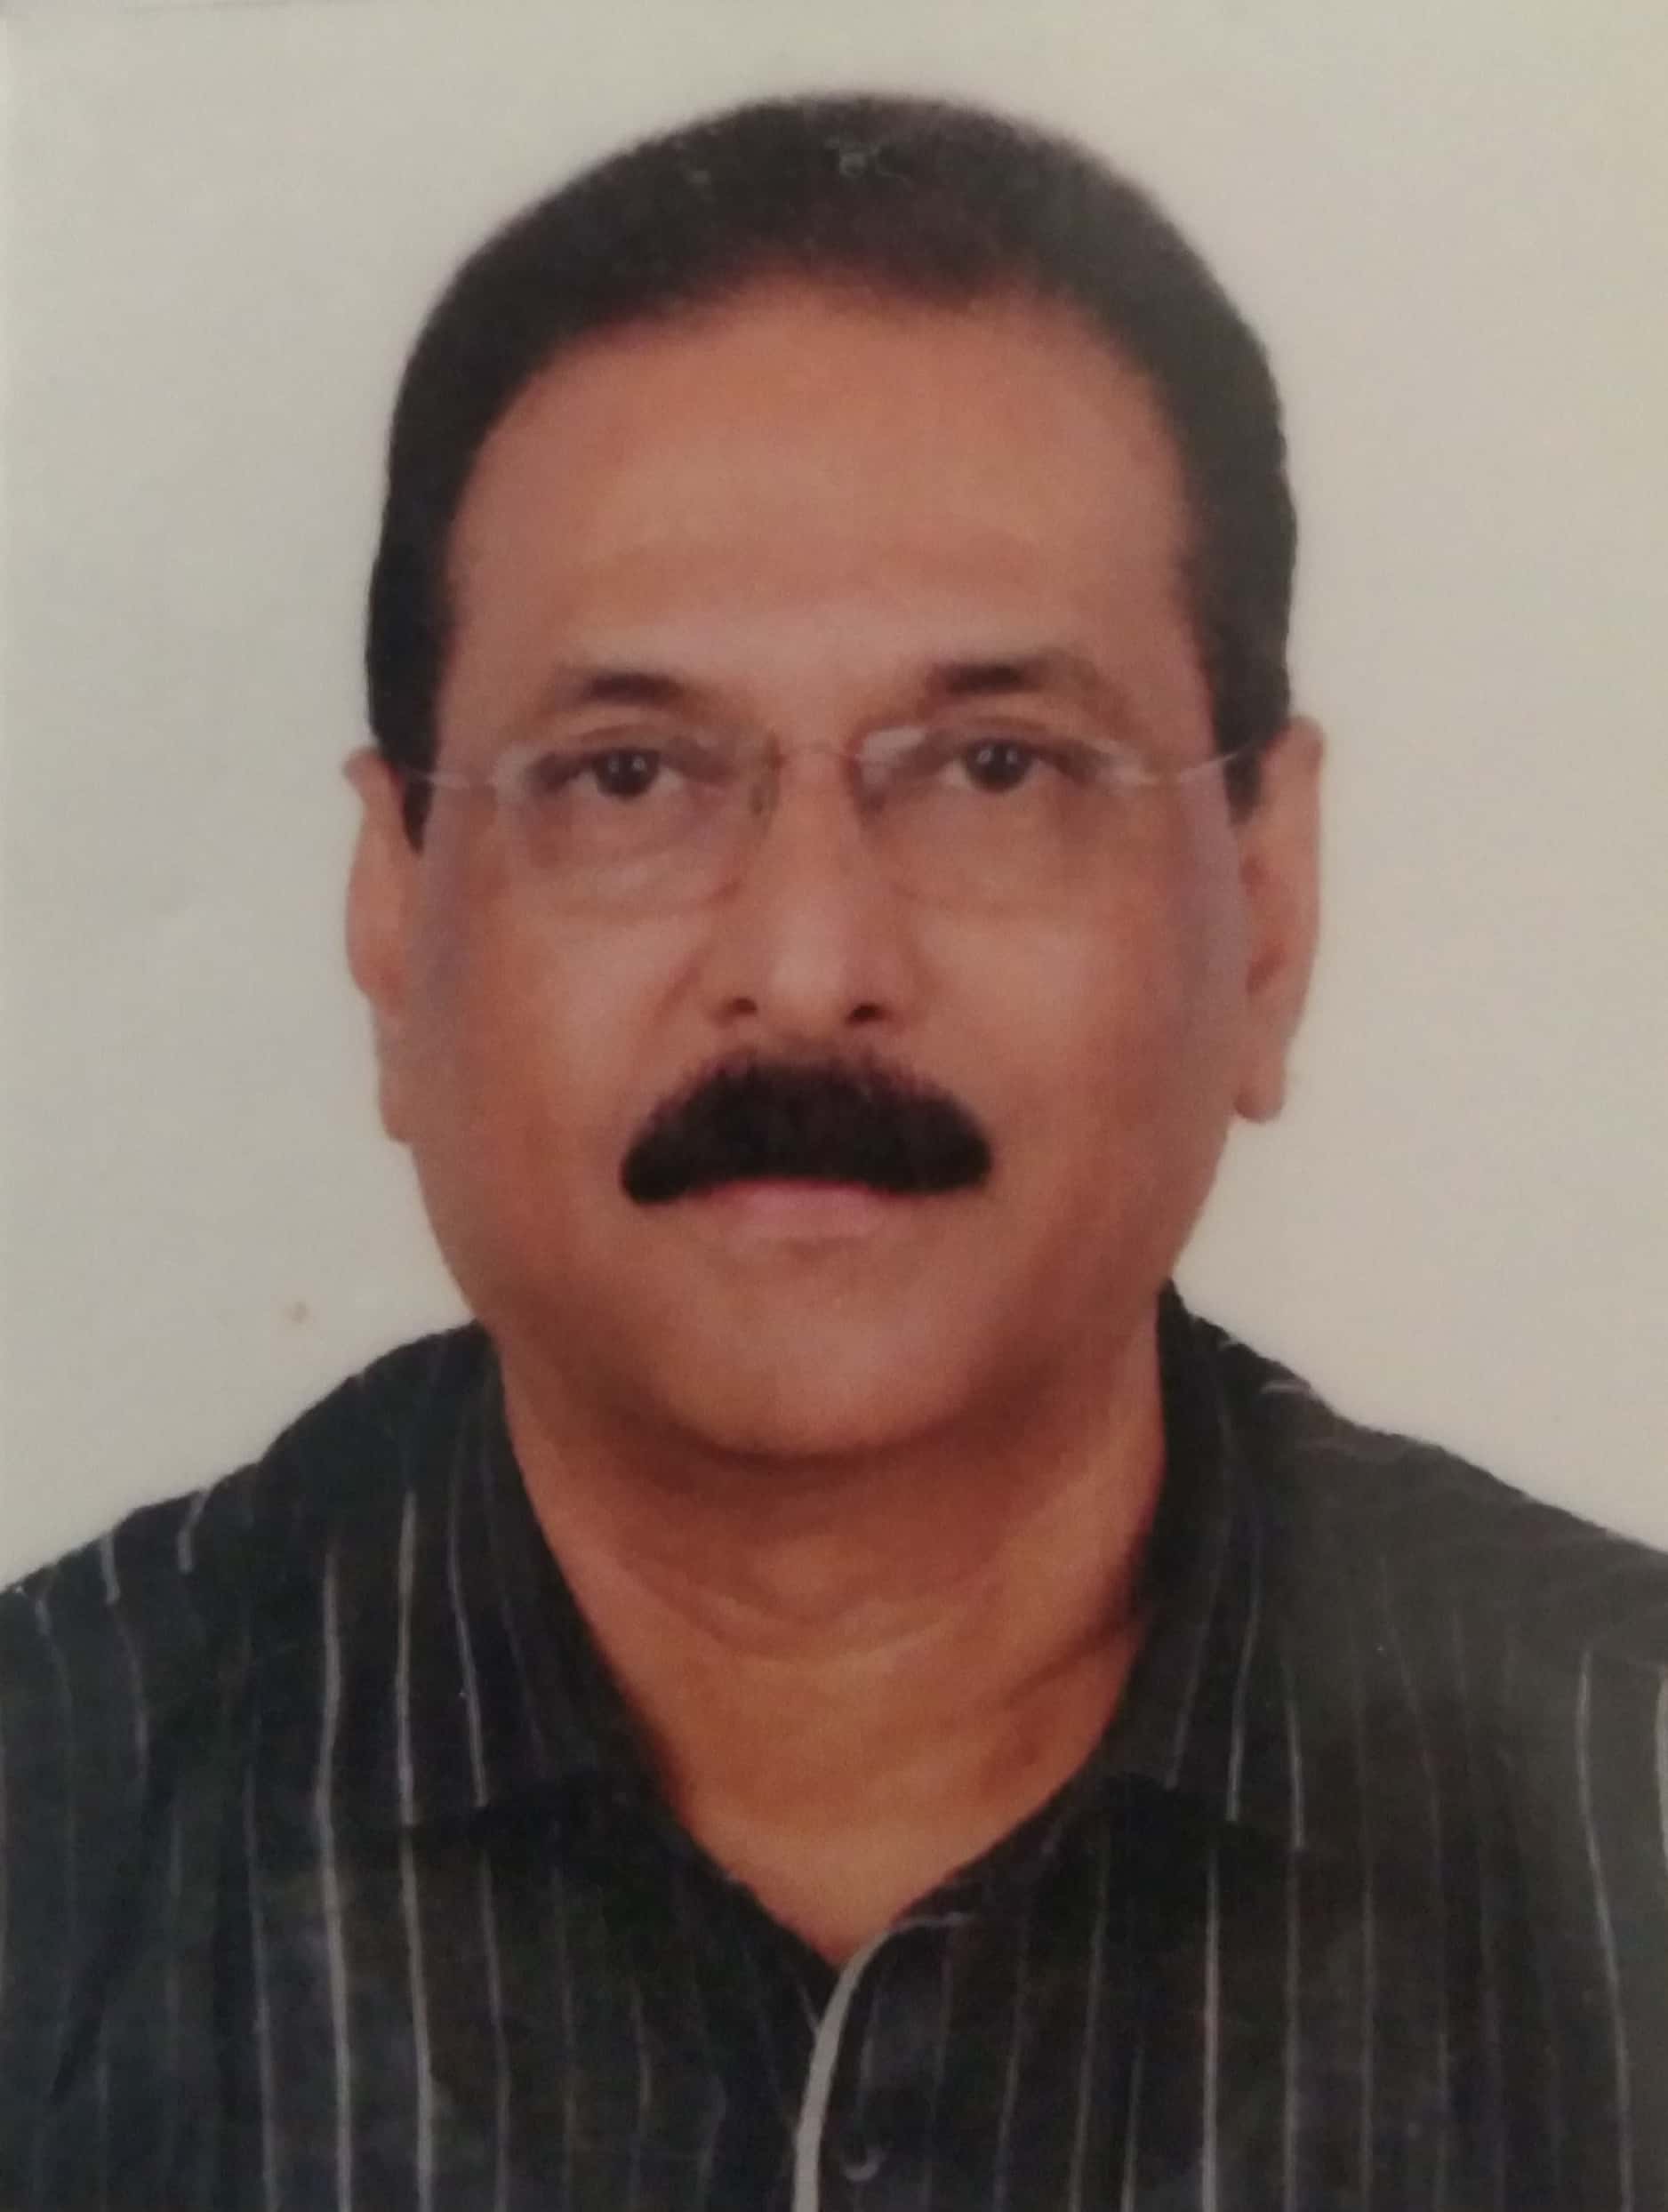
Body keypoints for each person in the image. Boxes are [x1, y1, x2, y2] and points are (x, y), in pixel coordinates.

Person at [2, 90, 1663, 2212]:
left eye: (993, 768)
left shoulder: (1624, 1807)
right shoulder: (51, 1837)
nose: (804, 969)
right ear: (393, 915)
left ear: (1266, 906)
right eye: (626, 775)